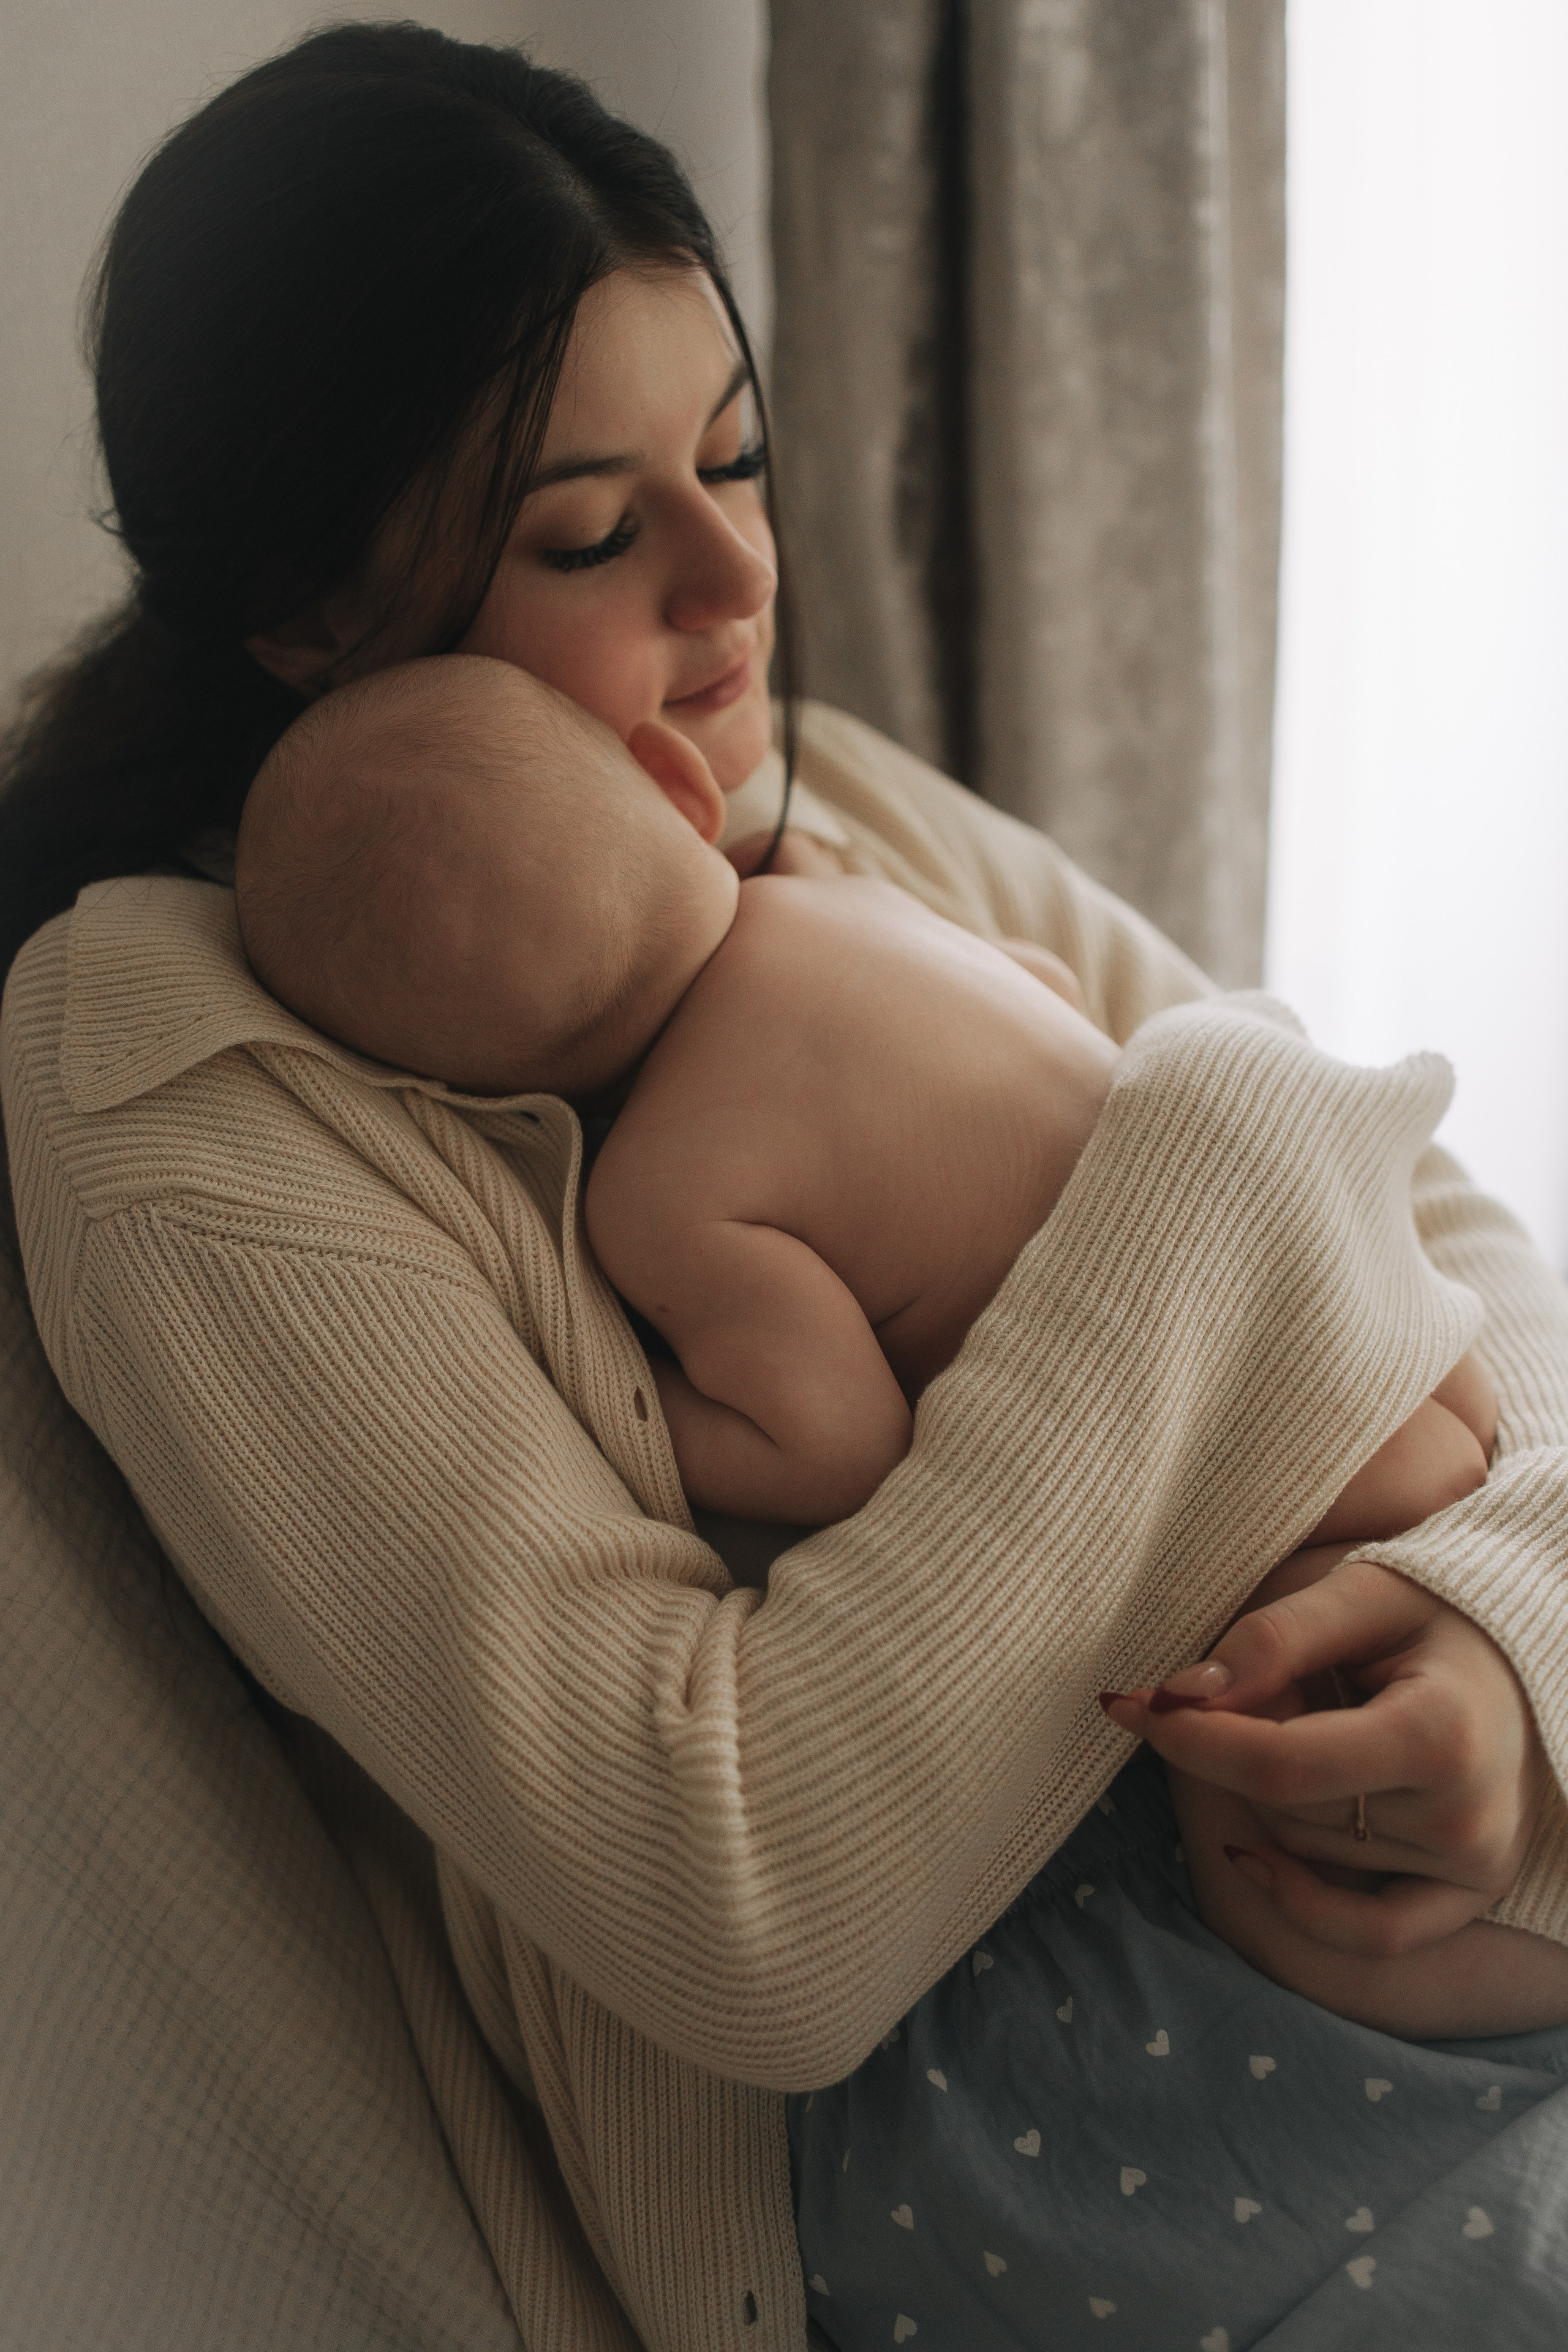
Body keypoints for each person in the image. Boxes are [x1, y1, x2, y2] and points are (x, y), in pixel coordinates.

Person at [3, 26, 1568, 2352]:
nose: (742, 577)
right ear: (310, 610)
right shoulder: (183, 1072)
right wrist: (1219, 1162)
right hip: (1017, 2153)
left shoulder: (811, 802)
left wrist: (1501, 1641)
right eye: (591, 533)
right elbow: (749, 1904)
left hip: (1360, 1910)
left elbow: (1448, 1237)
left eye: (737, 457)